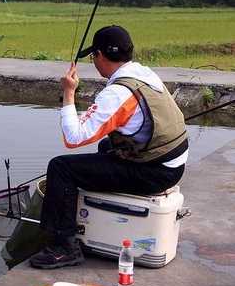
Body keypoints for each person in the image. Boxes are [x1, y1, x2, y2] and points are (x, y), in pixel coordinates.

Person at [29, 25, 188, 269]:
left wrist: (69, 92)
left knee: (61, 168)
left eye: (94, 56)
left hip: (155, 172)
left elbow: (74, 137)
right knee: (105, 145)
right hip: (171, 162)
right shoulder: (144, 74)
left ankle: (64, 247)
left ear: (101, 56)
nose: (94, 61)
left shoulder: (117, 93)